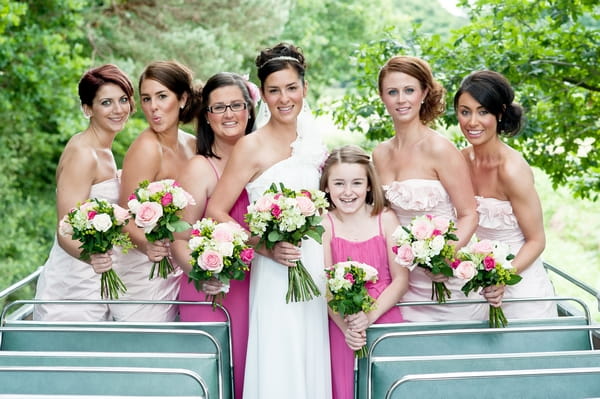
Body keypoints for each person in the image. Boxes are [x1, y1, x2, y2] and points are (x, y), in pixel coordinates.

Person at [206, 43, 332, 399]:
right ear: (262, 95)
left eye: (292, 88)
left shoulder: (314, 141)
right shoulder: (251, 146)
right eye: (274, 90)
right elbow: (216, 211)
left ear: (304, 89)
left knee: (309, 358)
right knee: (279, 358)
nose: (284, 98)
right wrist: (265, 247)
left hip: (313, 268)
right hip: (275, 270)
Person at [372, 55, 485, 322]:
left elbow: (469, 213)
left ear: (424, 92)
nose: (401, 99)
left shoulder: (440, 149)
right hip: (404, 285)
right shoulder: (379, 155)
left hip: (447, 282)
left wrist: (445, 257)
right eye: (393, 92)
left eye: (409, 90)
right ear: (382, 97)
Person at [171, 72, 257, 399]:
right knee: (216, 381)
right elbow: (179, 239)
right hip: (213, 294)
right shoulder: (200, 168)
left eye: (235, 105)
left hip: (256, 291)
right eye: (218, 108)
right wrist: (200, 271)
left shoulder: (267, 165)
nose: (228, 114)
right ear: (207, 117)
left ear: (249, 110)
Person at [34, 64, 135, 321]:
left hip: (96, 276)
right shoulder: (83, 153)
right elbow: (65, 227)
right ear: (87, 109)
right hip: (74, 284)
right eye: (106, 102)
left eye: (123, 99)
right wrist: (92, 258)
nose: (118, 109)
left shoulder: (104, 150)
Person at [454, 70, 557, 318]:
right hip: (479, 283)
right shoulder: (460, 160)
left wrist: (503, 277)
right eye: (465, 111)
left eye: (483, 112)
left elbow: (537, 241)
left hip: (521, 286)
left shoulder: (512, 170)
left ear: (499, 113)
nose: (472, 122)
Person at [113, 60, 201, 321]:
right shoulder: (146, 148)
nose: (153, 107)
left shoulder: (192, 144)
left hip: (179, 266)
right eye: (146, 98)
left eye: (162, 96)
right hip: (147, 268)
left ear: (182, 98)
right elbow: (122, 214)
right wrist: (147, 245)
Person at [320, 145, 408, 399]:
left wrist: (368, 317)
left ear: (369, 184)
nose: (348, 192)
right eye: (339, 184)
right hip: (342, 325)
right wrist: (348, 328)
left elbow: (401, 280)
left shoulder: (386, 219)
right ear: (326, 186)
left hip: (383, 316)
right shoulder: (325, 225)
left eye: (357, 183)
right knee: (346, 387)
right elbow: (325, 287)